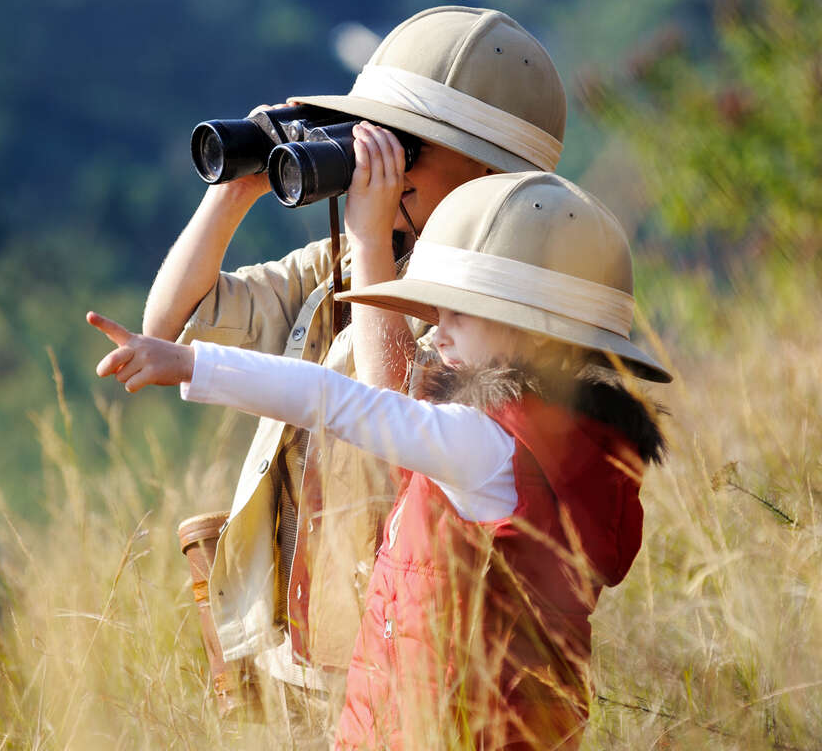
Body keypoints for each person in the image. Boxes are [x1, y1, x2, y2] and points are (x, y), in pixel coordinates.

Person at [90, 171, 671, 748]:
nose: (439, 331)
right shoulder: (568, 447)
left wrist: (193, 365)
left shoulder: (485, 445)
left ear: (539, 334)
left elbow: (338, 402)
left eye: (461, 312)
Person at [142, 5, 569, 718]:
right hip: (305, 649)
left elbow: (400, 423)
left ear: (489, 172)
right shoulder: (342, 265)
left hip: (406, 658)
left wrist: (371, 244)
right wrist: (237, 187)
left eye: (407, 146)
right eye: (371, 137)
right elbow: (172, 325)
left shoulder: (503, 313)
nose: (381, 163)